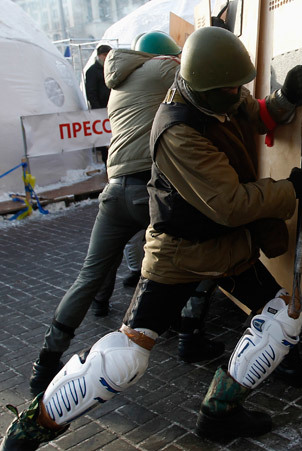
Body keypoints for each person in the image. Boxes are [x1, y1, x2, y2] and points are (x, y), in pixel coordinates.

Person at [0, 26, 302, 450]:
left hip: (227, 248)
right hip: (181, 255)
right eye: (230, 88)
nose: (237, 93)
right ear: (205, 86)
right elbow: (229, 203)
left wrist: (284, 99)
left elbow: (254, 112)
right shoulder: (177, 128)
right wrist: (289, 190)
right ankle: (32, 427)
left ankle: (220, 413)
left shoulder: (215, 93)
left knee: (283, 317)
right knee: (125, 357)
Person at [26, 31, 223, 398]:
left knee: (89, 275)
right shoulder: (163, 69)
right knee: (202, 250)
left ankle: (45, 362)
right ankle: (189, 334)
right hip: (151, 188)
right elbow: (207, 84)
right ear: (165, 56)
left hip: (114, 190)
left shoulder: (119, 81)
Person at [85, 44, 112, 165]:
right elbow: (91, 91)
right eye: (104, 55)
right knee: (104, 139)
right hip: (101, 109)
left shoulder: (112, 68)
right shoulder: (92, 71)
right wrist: (98, 110)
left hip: (112, 107)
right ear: (99, 56)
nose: (107, 57)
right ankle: (106, 162)